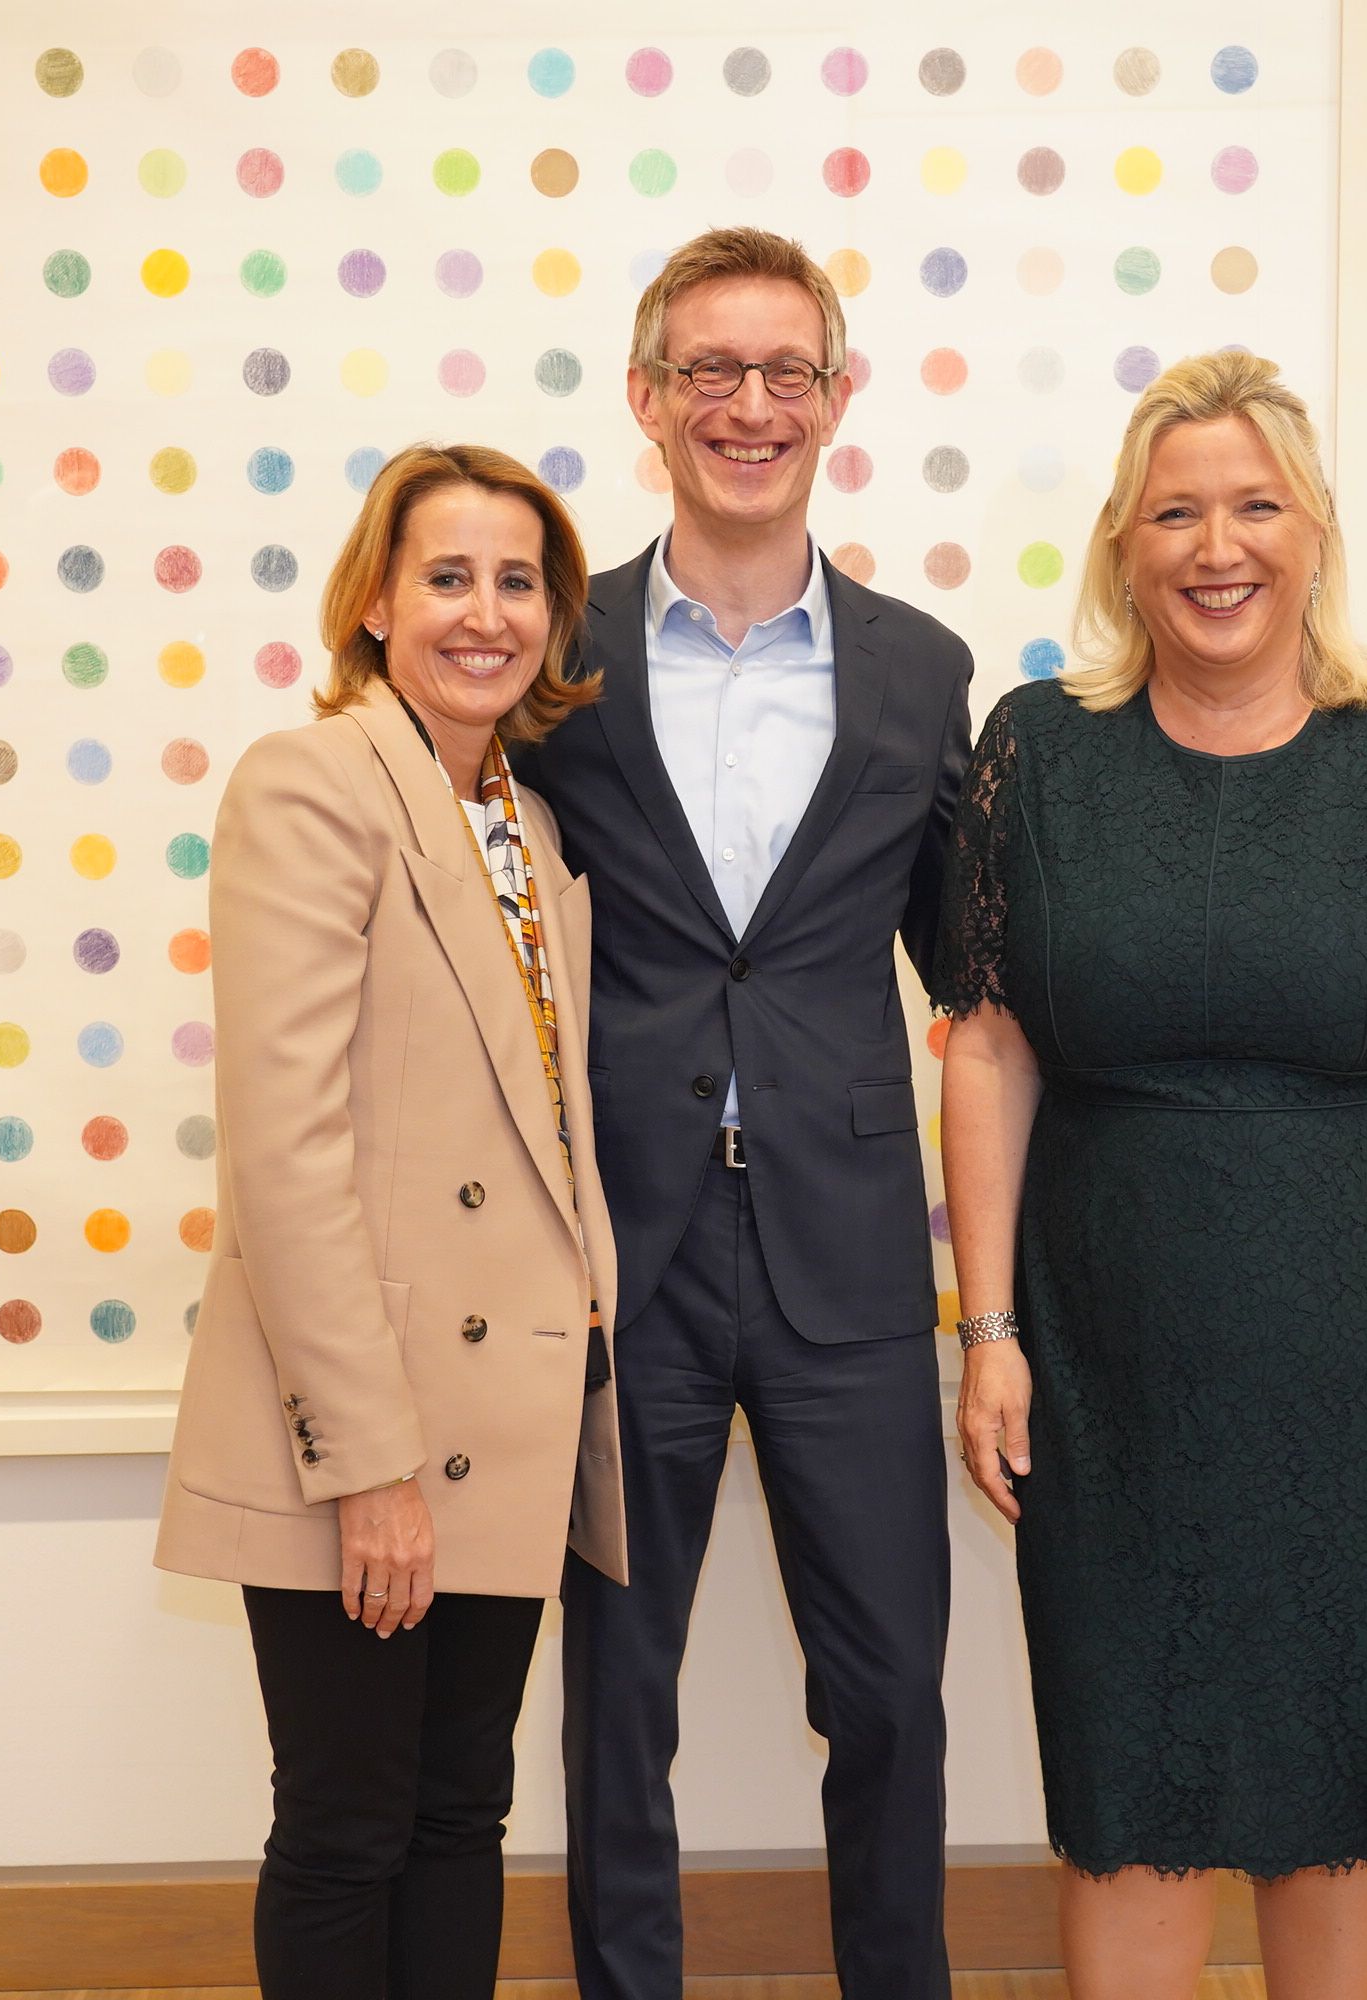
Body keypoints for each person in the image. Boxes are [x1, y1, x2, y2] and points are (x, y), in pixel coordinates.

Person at [935, 350, 1367, 2000]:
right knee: (1125, 1782)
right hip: (1106, 1367)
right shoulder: (1036, 755)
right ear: (1123, 549)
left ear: (1314, 536)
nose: (1217, 547)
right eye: (1176, 513)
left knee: (1348, 1791)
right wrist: (985, 1332)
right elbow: (987, 1048)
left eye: (1254, 506)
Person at [511, 226, 974, 2000]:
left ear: (841, 402)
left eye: (788, 372)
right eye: (711, 370)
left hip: (851, 1264)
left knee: (889, 1695)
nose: (750, 405)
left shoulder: (928, 672)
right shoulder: (550, 658)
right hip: (623, 1264)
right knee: (621, 1693)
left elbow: (975, 986)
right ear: (646, 399)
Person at [153, 443, 625, 1999]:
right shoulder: (311, 786)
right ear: (371, 602)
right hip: (362, 1427)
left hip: (498, 1413)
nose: (484, 613)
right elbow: (285, 1156)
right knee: (351, 1826)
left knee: (459, 1815)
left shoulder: (528, 826)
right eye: (446, 577)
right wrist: (369, 1467)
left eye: (517, 582)